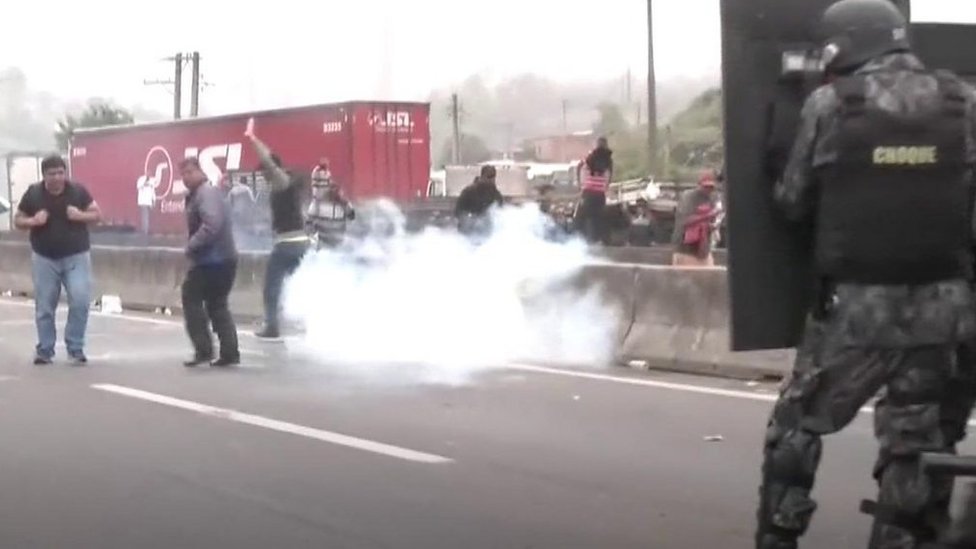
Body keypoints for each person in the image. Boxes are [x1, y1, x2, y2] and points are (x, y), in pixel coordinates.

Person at [754, 2, 976, 548]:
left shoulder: (831, 104)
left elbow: (792, 200)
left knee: (797, 426)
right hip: (941, 308)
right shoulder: (962, 101)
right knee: (913, 439)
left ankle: (779, 536)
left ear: (842, 47)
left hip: (856, 310)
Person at [14, 155, 101, 365]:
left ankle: (75, 347)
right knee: (45, 305)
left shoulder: (77, 191)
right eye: (52, 174)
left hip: (76, 255)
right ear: (44, 176)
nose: (57, 178)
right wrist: (33, 221)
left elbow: (97, 214)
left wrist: (80, 215)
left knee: (80, 300)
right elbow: (18, 219)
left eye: (60, 172)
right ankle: (45, 349)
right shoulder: (33, 194)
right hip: (44, 257)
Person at [244, 117, 310, 339]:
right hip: (299, 242)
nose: (264, 177)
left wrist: (252, 140)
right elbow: (271, 156)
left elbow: (269, 161)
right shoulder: (287, 183)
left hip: (287, 245)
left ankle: (272, 326)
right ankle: (305, 323)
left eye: (264, 174)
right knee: (297, 285)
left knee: (271, 288)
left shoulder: (282, 182)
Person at [179, 157, 240, 367]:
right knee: (217, 304)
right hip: (222, 259)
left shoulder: (205, 193)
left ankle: (204, 349)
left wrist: (192, 246)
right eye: (183, 174)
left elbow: (212, 225)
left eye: (189, 172)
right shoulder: (201, 194)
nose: (186, 178)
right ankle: (229, 353)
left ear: (199, 171)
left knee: (191, 297)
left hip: (212, 260)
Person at [671, 170, 722, 266]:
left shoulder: (712, 198)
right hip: (685, 249)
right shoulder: (688, 197)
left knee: (709, 277)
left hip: (703, 249)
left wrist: (713, 225)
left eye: (711, 187)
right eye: (705, 187)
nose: (708, 189)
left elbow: (713, 221)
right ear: (699, 185)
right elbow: (684, 221)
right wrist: (707, 216)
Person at [307, 162, 355, 250]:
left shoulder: (340, 203)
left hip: (337, 246)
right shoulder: (315, 205)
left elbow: (352, 216)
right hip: (327, 247)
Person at [574, 137, 613, 244]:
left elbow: (579, 168)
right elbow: (609, 176)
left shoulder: (589, 158)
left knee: (582, 217)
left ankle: (580, 240)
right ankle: (599, 240)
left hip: (588, 192)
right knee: (598, 218)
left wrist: (580, 185)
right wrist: (605, 187)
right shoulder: (608, 160)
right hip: (600, 193)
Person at [455, 164, 503, 236]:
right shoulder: (469, 192)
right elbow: (459, 210)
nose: (491, 180)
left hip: (486, 233)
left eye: (493, 177)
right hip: (468, 232)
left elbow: (499, 212)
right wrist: (469, 219)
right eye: (489, 177)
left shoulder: (496, 195)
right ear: (482, 177)